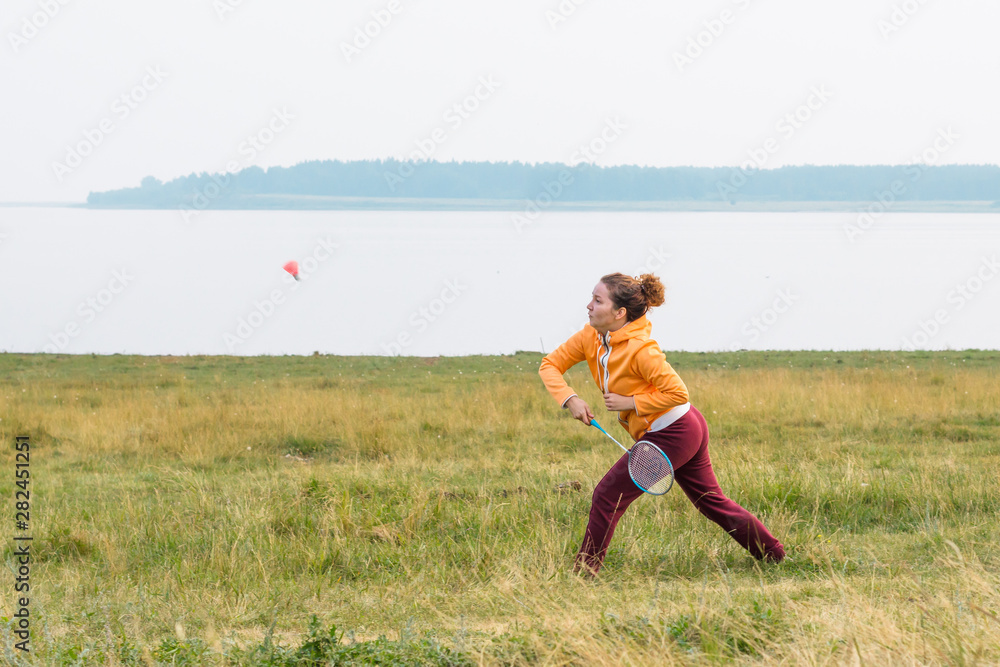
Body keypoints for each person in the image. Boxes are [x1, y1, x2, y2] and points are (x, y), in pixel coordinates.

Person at [538, 272, 784, 574]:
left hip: (674, 432)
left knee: (607, 495)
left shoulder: (642, 349)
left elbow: (679, 393)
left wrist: (631, 403)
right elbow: (550, 364)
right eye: (591, 297)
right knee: (711, 502)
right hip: (681, 428)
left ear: (619, 313)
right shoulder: (591, 336)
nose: (588, 306)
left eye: (597, 300)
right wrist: (570, 398)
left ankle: (584, 571)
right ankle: (774, 555)